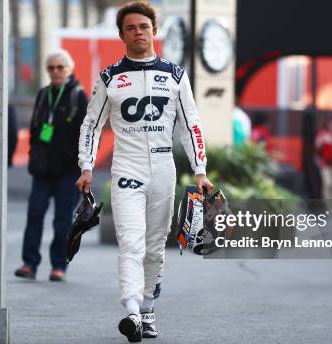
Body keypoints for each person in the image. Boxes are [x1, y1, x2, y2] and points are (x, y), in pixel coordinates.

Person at [75, 1, 213, 341]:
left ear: (154, 31)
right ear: (122, 35)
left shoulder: (176, 75)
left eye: (144, 27)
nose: (139, 32)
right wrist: (86, 166)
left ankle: (149, 308)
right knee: (131, 244)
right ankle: (132, 311)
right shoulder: (110, 77)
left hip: (164, 168)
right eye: (132, 28)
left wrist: (200, 170)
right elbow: (92, 124)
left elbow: (191, 125)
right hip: (127, 167)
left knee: (154, 247)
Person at [14, 49, 88, 282]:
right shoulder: (44, 94)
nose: (56, 72)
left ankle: (59, 266)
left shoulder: (78, 96)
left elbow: (86, 134)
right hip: (42, 170)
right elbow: (37, 128)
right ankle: (29, 263)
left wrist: (83, 165)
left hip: (67, 172)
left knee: (62, 220)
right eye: (51, 68)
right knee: (34, 214)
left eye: (60, 67)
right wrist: (34, 152)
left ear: (69, 70)